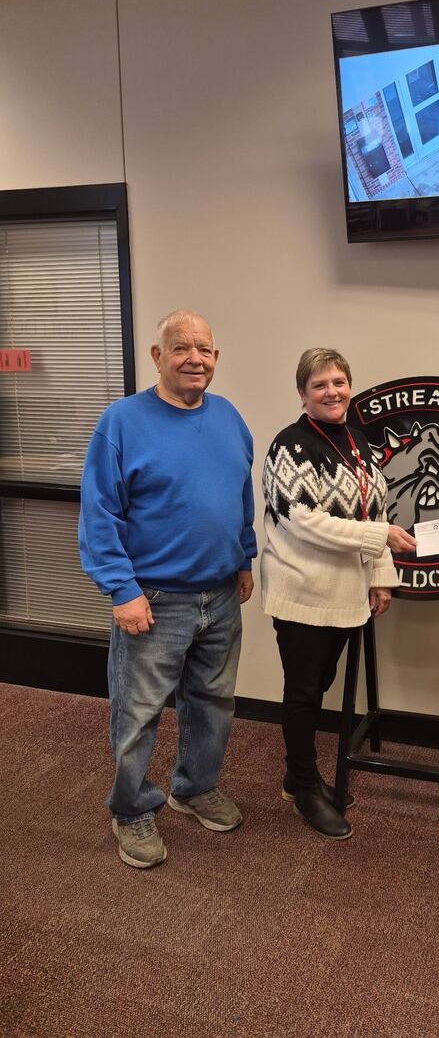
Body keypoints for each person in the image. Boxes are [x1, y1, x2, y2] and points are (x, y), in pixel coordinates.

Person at [79, 310, 257, 869]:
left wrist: (244, 558)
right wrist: (120, 589)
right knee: (138, 712)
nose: (195, 359)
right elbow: (99, 513)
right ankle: (131, 810)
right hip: (153, 599)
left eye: (204, 349)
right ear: (158, 357)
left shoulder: (228, 416)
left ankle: (193, 787)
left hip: (221, 594)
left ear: (216, 358)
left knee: (212, 703)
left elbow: (239, 495)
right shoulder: (123, 421)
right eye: (181, 348)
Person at [261, 348, 416, 840]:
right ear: (303, 393)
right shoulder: (289, 445)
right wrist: (380, 541)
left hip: (347, 593)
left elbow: (378, 511)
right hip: (303, 590)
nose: (332, 392)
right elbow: (302, 521)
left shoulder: (357, 440)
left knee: (319, 683)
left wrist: (380, 575)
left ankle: (296, 773)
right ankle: (304, 786)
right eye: (320, 384)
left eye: (339, 382)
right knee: (304, 693)